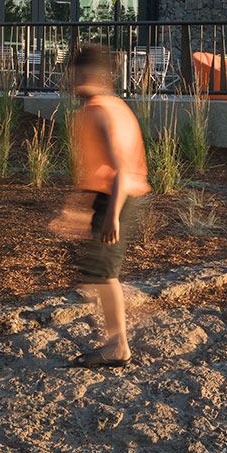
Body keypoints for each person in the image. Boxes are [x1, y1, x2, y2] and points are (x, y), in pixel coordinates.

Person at [62, 43, 151, 368]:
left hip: (118, 197)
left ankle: (118, 345)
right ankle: (115, 338)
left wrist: (111, 216)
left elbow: (118, 167)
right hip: (114, 195)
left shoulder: (98, 111)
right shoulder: (114, 106)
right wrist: (80, 210)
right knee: (97, 272)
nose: (71, 82)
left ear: (88, 75)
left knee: (104, 274)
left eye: (74, 75)